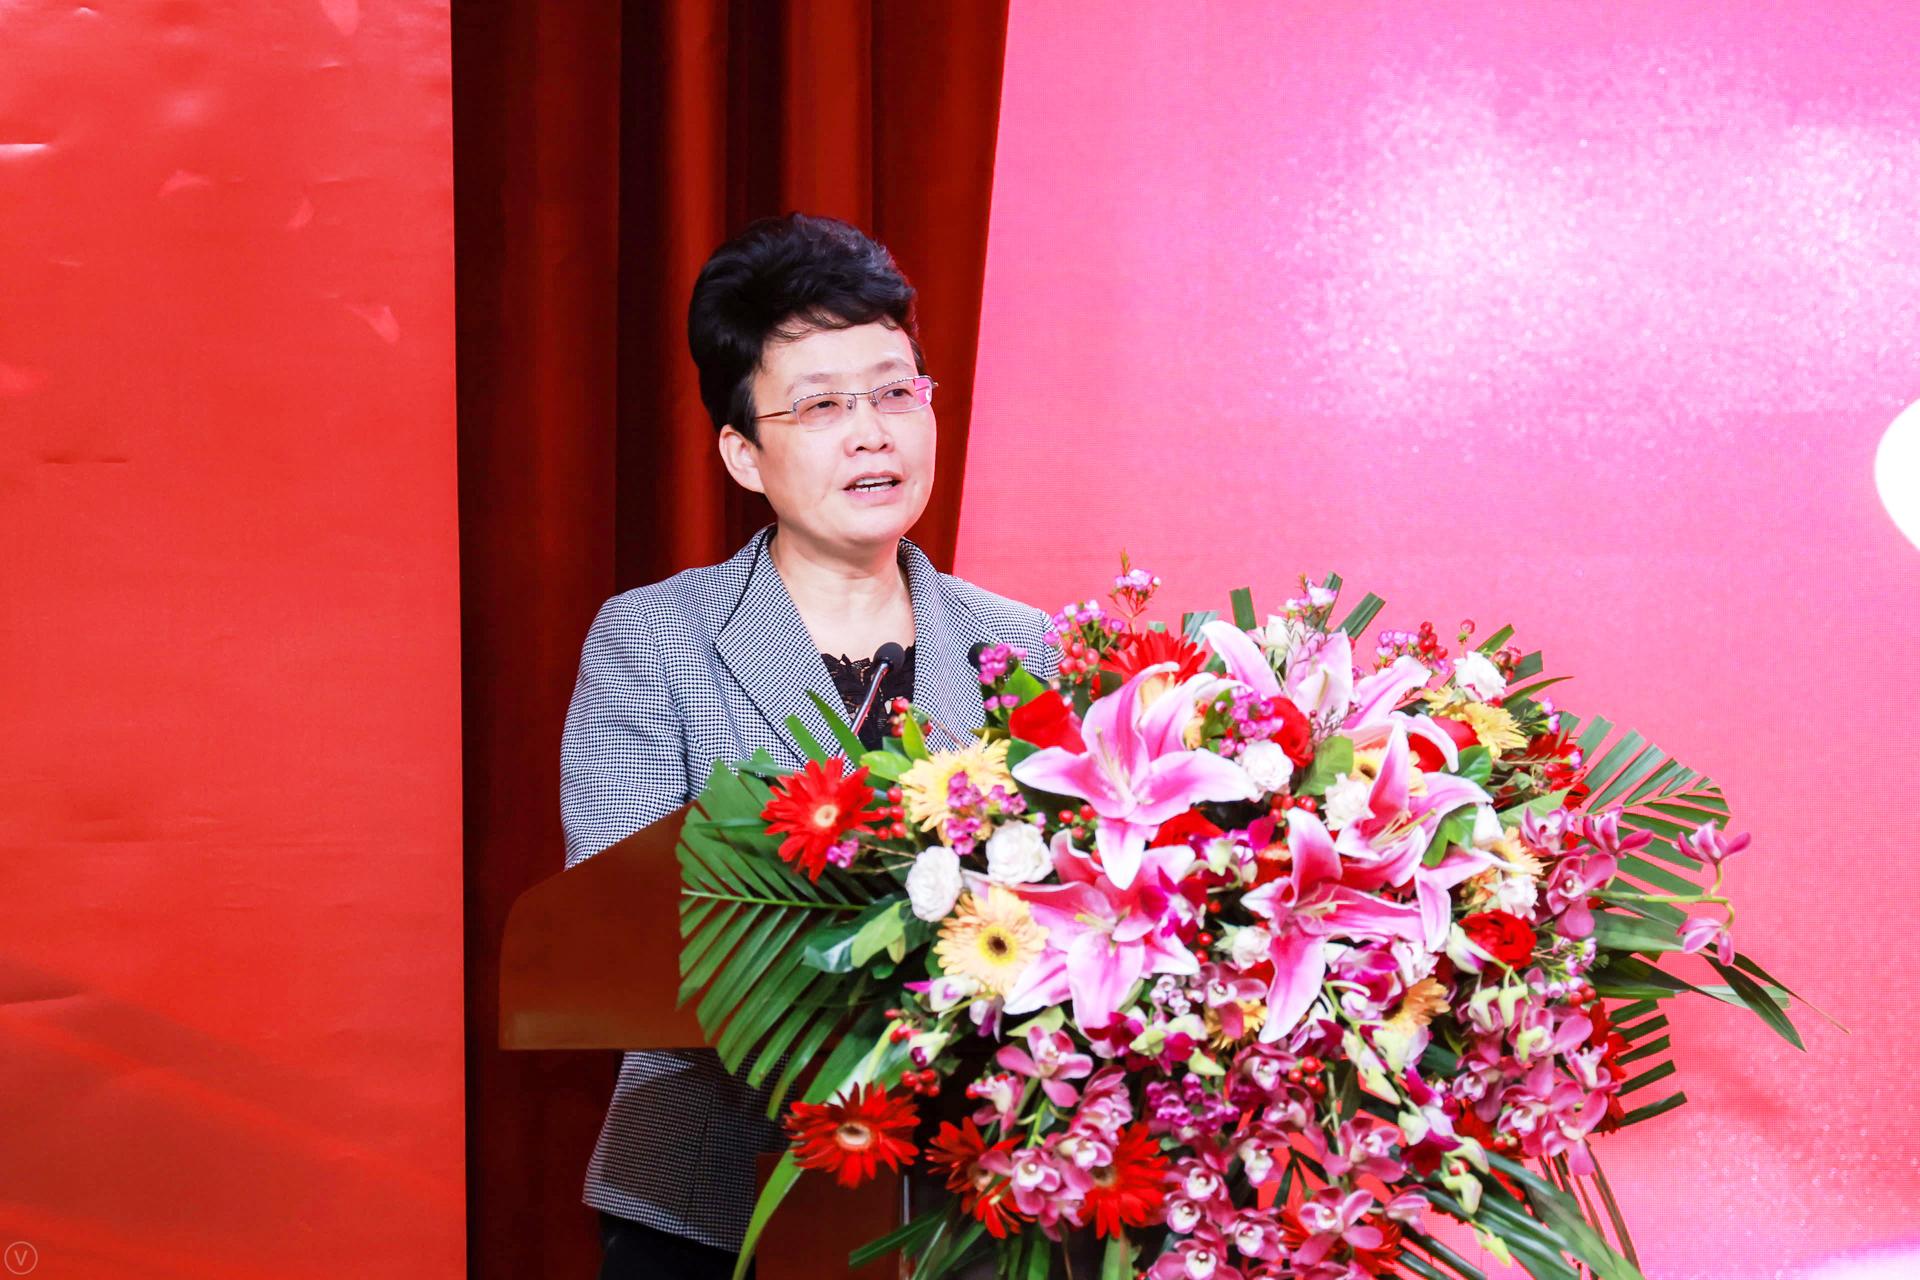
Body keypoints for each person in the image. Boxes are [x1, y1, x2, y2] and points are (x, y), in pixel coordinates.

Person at [560, 213, 1058, 1280]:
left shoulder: (1025, 648)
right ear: (743, 453)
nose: (873, 433)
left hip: (969, 1204)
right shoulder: (655, 640)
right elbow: (618, 928)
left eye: (895, 392)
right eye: (823, 406)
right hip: (712, 1205)